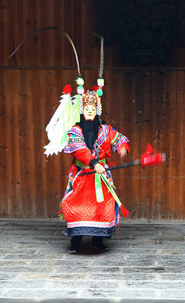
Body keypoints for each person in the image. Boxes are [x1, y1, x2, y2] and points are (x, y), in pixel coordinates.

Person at [60, 89, 130, 253]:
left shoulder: (105, 129)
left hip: (101, 177)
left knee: (103, 207)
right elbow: (80, 150)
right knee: (77, 208)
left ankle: (97, 241)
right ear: (82, 111)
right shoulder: (75, 130)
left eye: (92, 109)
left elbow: (119, 139)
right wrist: (93, 162)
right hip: (82, 175)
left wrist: (122, 148)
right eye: (87, 109)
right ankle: (75, 241)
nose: (90, 112)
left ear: (97, 110)